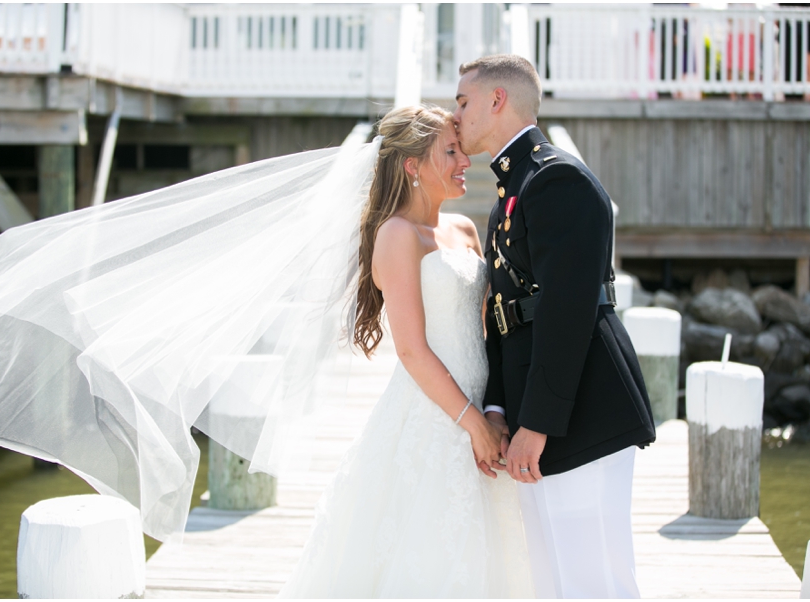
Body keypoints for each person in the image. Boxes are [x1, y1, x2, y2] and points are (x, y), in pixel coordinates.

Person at [279, 105, 533, 598]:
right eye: (451, 151)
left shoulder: (464, 230)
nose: (465, 161)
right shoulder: (396, 235)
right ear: (413, 166)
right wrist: (473, 424)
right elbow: (412, 351)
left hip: (485, 408)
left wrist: (496, 412)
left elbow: (488, 330)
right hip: (435, 413)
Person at [452, 54, 657, 598]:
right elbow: (506, 315)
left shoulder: (554, 178)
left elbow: (569, 311)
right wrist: (499, 408)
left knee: (595, 580)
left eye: (463, 101)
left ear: (498, 100)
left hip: (579, 410)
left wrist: (537, 424)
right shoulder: (514, 185)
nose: (456, 115)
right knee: (554, 581)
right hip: (540, 412)